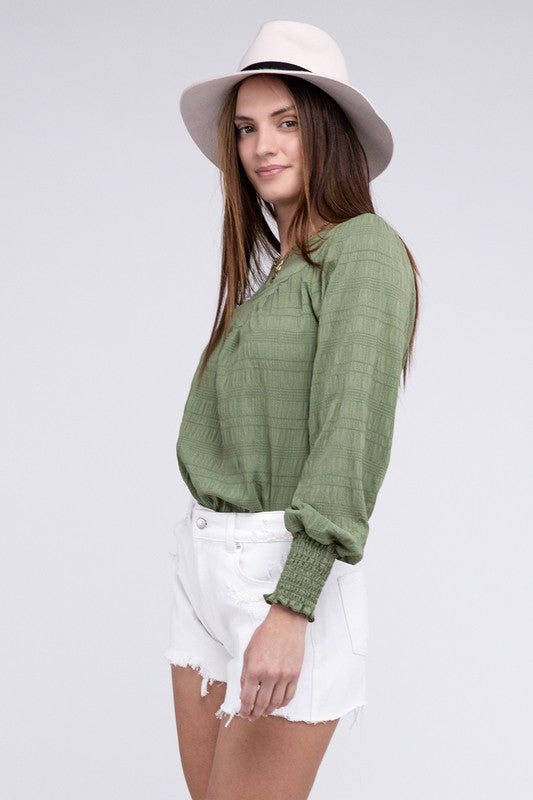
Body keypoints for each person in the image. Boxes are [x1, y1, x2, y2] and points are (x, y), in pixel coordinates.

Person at [164, 19, 421, 800]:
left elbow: (350, 434)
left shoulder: (363, 251)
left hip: (282, 573)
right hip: (205, 568)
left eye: (285, 123)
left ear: (326, 134)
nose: (261, 146)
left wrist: (293, 602)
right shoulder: (276, 275)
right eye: (246, 128)